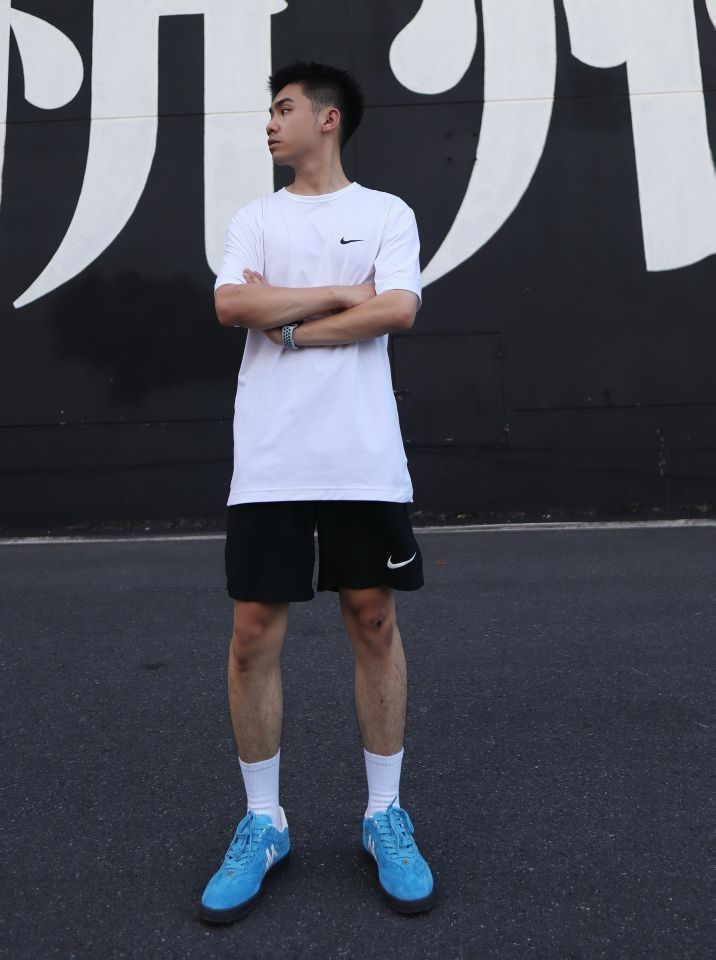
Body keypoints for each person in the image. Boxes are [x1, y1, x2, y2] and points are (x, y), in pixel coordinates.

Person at [199, 60, 435, 923]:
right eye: (270, 109)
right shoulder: (255, 219)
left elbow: (398, 309)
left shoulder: (386, 214)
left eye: (284, 108)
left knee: (373, 621)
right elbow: (232, 306)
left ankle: (385, 815)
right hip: (270, 462)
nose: (270, 122)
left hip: (360, 459)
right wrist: (338, 293)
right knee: (251, 635)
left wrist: (291, 326)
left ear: (327, 120)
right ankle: (264, 823)